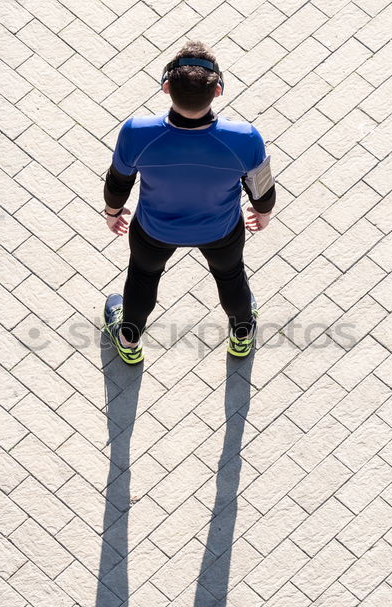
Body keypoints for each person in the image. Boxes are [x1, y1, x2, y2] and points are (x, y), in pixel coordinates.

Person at [101, 40, 276, 365]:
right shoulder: (245, 138)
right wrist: (262, 213)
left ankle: (128, 340)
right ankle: (242, 335)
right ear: (218, 90)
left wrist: (113, 212)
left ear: (166, 87)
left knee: (142, 277)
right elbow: (262, 190)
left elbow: (117, 182)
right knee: (231, 277)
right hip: (221, 231)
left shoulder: (136, 133)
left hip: (153, 231)